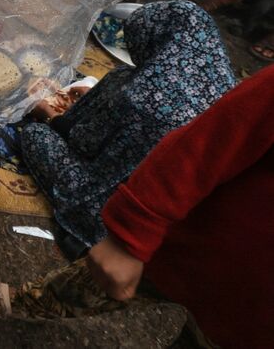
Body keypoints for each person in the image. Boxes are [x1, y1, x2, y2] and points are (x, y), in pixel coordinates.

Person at [20, 0, 235, 257]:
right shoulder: (227, 93)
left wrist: (48, 114)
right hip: (168, 224)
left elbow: (81, 142)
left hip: (114, 210)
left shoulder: (139, 96)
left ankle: (85, 227)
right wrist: (98, 99)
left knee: (35, 135)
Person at [88, 64, 274, 348]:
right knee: (50, 302)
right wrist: (130, 234)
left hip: (246, 330)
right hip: (181, 263)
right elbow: (211, 140)